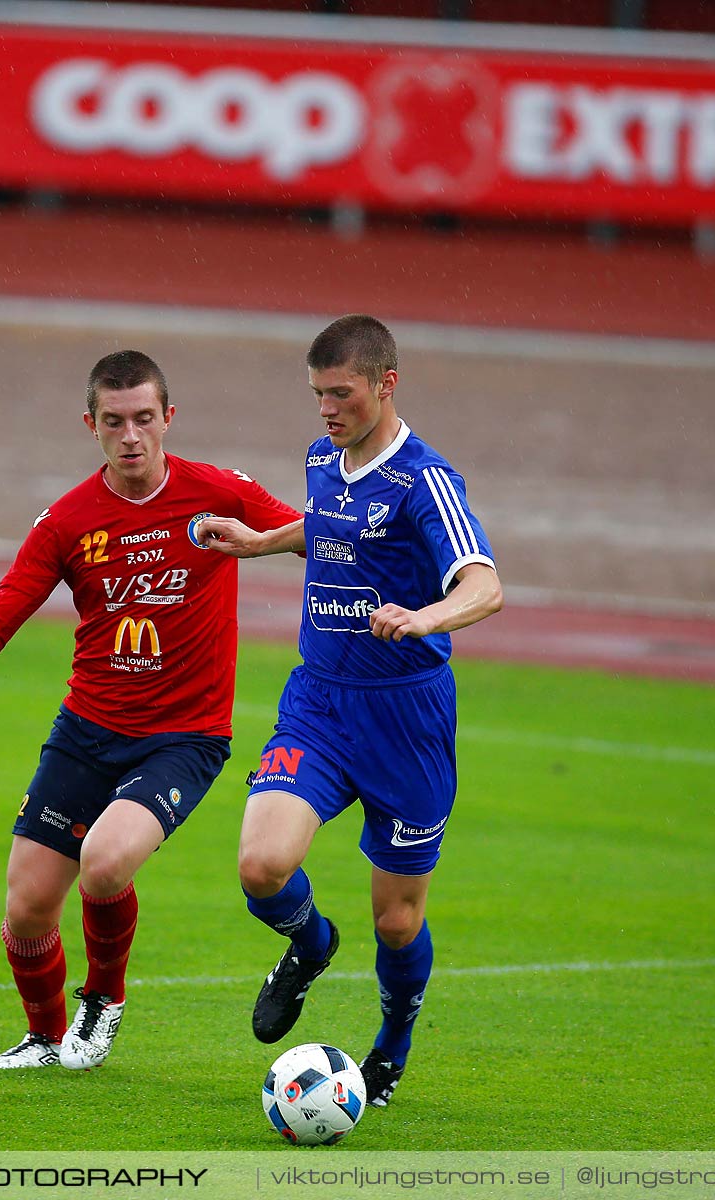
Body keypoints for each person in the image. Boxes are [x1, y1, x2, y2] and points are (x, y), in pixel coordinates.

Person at [0, 350, 299, 1071]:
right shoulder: (68, 521)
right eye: (115, 421)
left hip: (183, 738)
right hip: (87, 731)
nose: (131, 434)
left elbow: (315, 535)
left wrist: (268, 541)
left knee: (105, 864)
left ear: (169, 418)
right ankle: (45, 1040)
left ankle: (103, 1002)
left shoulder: (219, 492)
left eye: (144, 418)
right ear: (91, 425)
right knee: (26, 908)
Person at [197, 315, 503, 1108]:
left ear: (385, 383)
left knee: (398, 923)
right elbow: (331, 532)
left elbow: (485, 585)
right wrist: (258, 541)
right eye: (317, 395)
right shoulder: (322, 461)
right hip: (320, 705)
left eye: (342, 393)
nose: (327, 409)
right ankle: (311, 944)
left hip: (408, 722)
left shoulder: (426, 479)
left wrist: (423, 618)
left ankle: (391, 1050)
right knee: (261, 866)